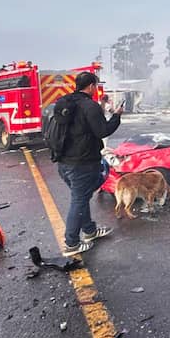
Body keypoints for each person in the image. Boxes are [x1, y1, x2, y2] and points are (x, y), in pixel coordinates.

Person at [58, 72, 124, 256]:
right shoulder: (89, 105)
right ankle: (71, 243)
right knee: (79, 200)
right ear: (91, 86)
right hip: (82, 164)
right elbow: (103, 130)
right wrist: (117, 115)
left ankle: (89, 231)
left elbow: (86, 123)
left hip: (63, 163)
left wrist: (101, 105)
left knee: (82, 196)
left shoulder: (67, 103)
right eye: (96, 85)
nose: (96, 89)